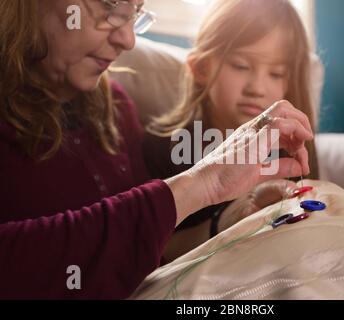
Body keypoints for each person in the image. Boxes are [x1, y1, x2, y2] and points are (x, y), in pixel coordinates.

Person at [0, 0, 313, 299]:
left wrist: (228, 221)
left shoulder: (117, 108)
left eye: (136, 12)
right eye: (110, 3)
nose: (128, 39)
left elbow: (145, 252)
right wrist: (201, 183)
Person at [143, 0, 318, 262]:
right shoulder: (166, 146)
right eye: (241, 66)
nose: (257, 87)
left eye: (276, 73)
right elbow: (150, 253)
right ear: (201, 68)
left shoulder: (291, 147)